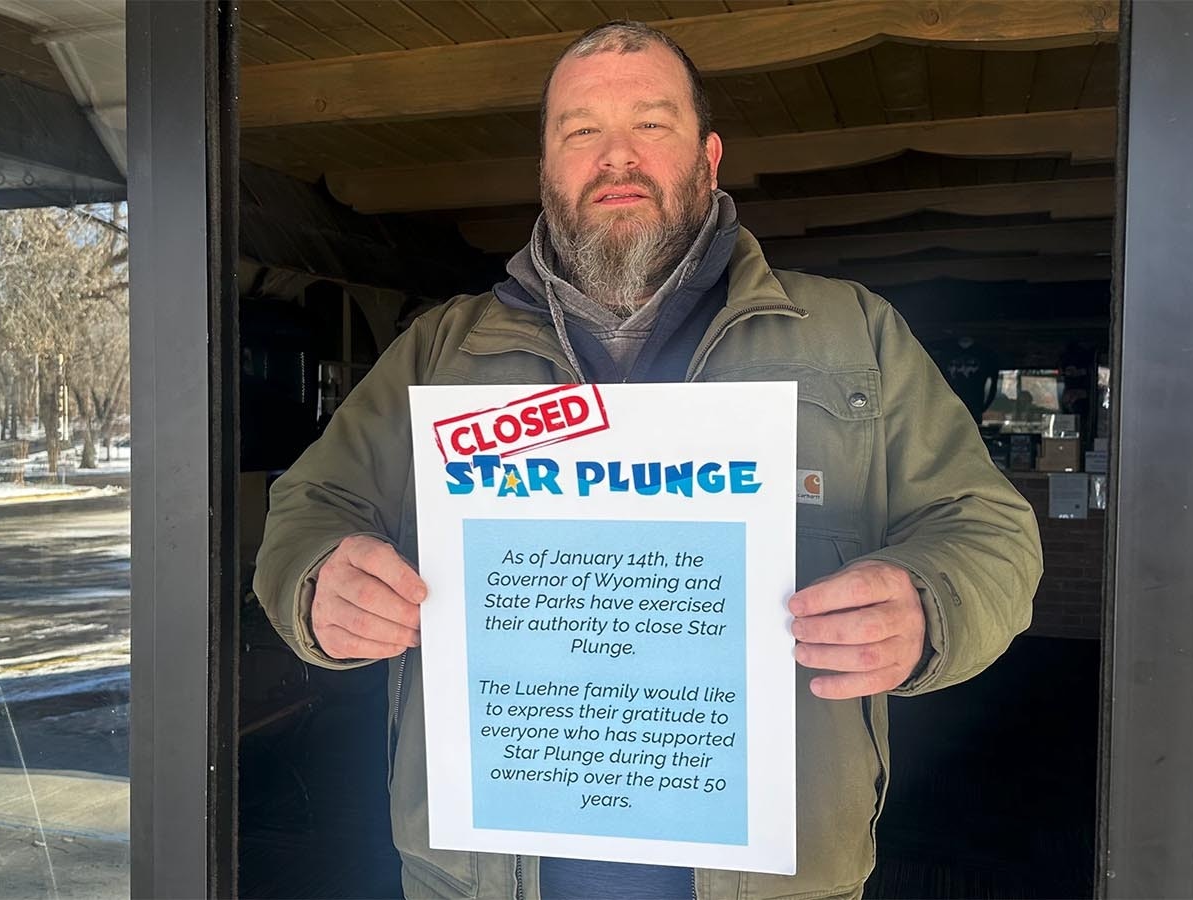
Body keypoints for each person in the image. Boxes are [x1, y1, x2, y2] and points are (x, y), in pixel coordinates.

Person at [255, 21, 1042, 900]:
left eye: (651, 125)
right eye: (580, 131)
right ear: (546, 169)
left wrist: (931, 604)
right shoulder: (439, 350)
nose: (615, 157)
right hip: (484, 878)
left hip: (775, 880)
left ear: (709, 158)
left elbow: (988, 528)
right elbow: (312, 504)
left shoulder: (852, 335)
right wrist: (320, 580)